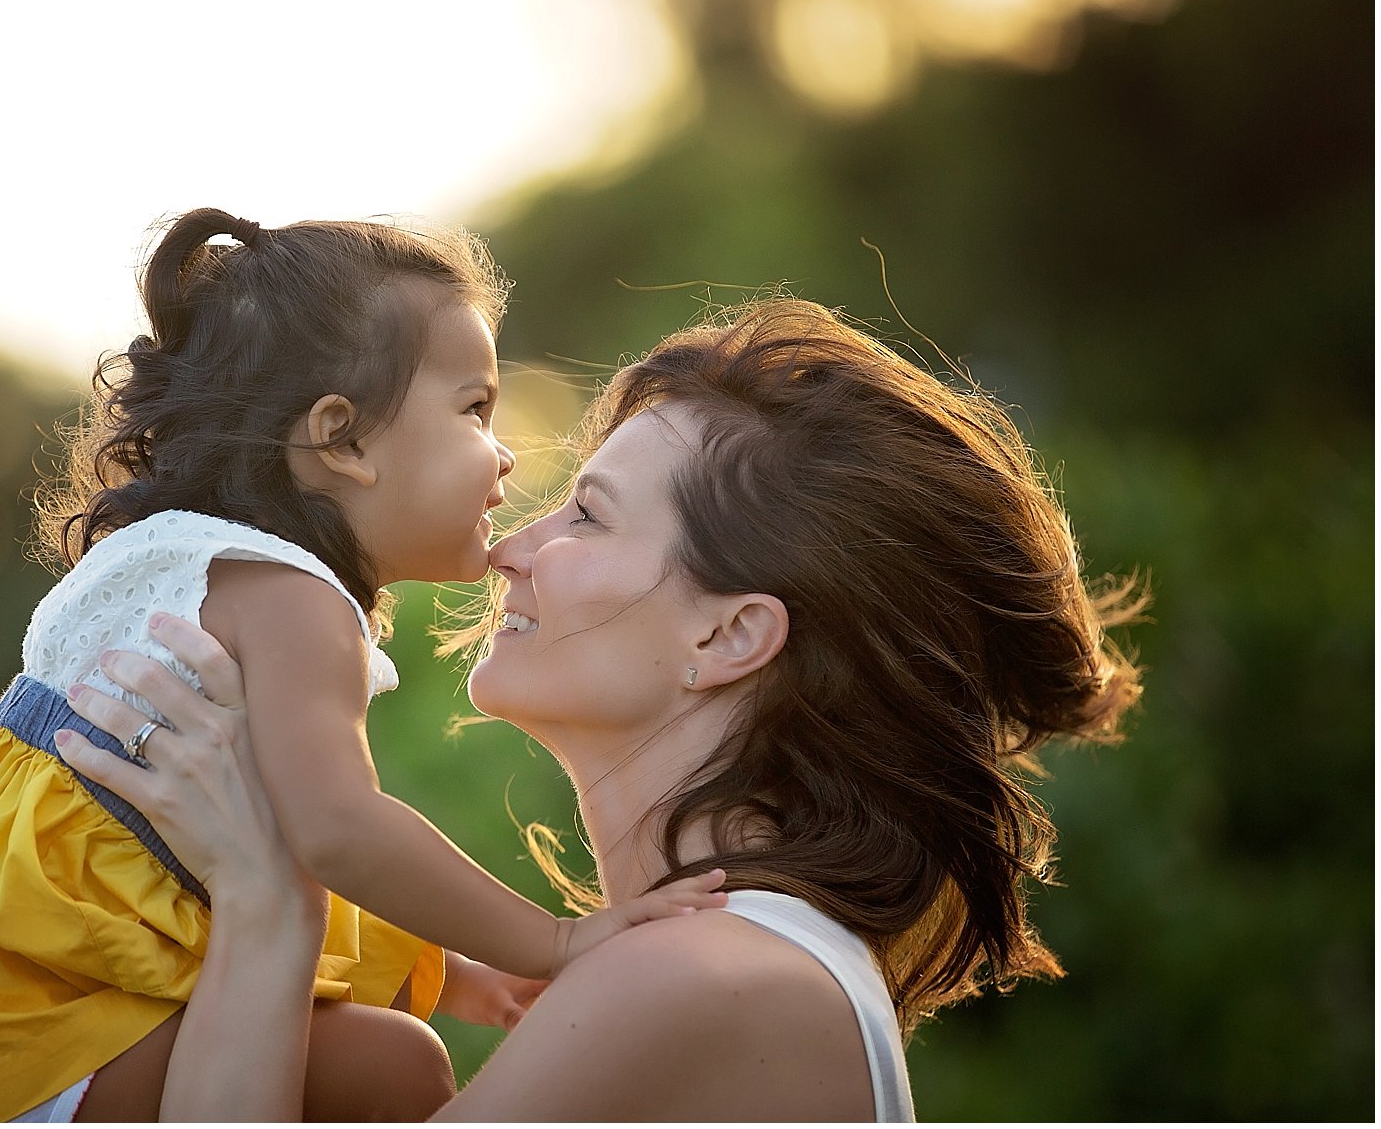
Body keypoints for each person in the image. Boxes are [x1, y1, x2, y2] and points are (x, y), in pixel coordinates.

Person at [58, 293, 1147, 1120]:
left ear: (728, 636)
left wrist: (268, 898)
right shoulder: (744, 961)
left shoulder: (697, 974)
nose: (511, 550)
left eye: (587, 514)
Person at [0, 209, 725, 1123]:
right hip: (31, 1003)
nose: (509, 454)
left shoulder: (184, 558)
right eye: (475, 407)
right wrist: (557, 937)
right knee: (397, 1068)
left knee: (383, 1035)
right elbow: (334, 829)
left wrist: (454, 971)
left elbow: (237, 837)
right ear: (343, 439)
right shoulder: (292, 600)